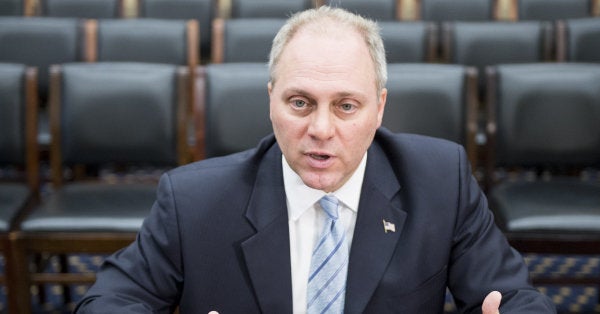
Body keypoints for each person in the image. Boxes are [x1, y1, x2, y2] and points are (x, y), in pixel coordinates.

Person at [75, 6, 555, 314]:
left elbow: (511, 296)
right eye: (300, 102)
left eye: (346, 106)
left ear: (379, 107)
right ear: (271, 100)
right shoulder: (193, 199)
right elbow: (108, 302)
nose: (321, 129)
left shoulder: (439, 180)